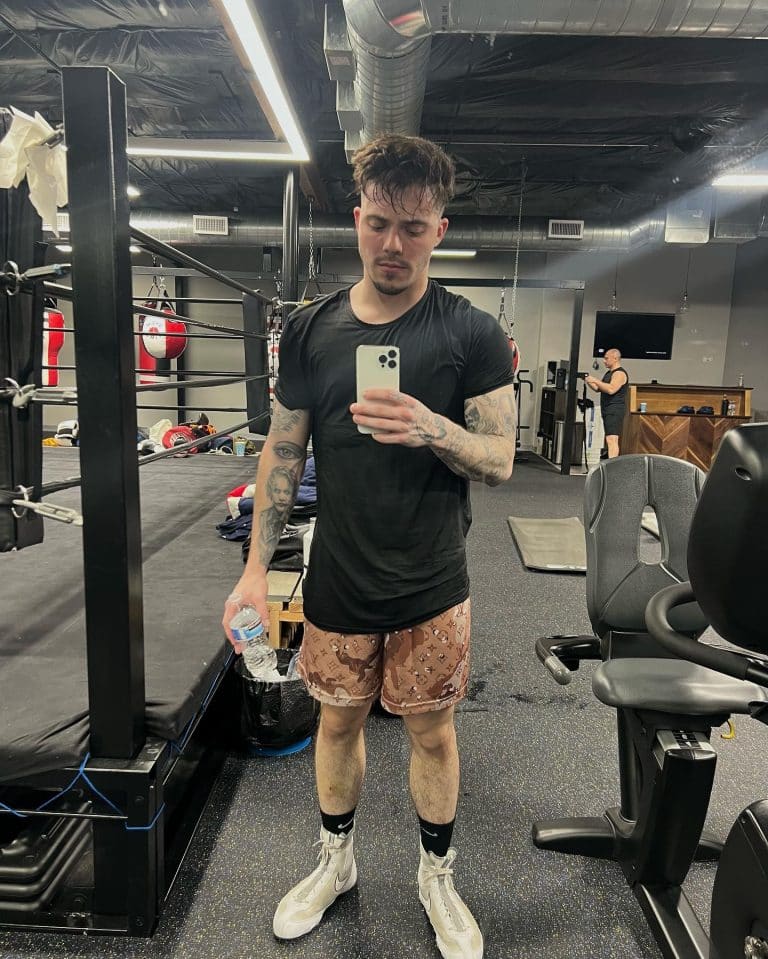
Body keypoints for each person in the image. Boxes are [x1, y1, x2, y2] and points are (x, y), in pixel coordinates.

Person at [222, 134, 517, 959]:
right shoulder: (311, 331)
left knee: (432, 733)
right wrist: (254, 572)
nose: (393, 244)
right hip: (340, 578)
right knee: (337, 723)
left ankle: (437, 876)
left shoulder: (471, 332)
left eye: (413, 228)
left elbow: (501, 459)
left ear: (439, 230)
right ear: (357, 219)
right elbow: (283, 451)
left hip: (432, 580)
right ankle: (337, 861)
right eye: (380, 223)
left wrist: (431, 427)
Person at [585, 348, 629, 458]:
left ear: (615, 358)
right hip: (607, 409)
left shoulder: (619, 373)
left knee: (612, 439)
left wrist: (595, 380)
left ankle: (612, 466)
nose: (604, 361)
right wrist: (587, 380)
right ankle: (610, 463)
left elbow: (611, 389)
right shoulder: (609, 373)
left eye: (606, 358)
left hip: (614, 410)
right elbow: (598, 388)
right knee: (609, 438)